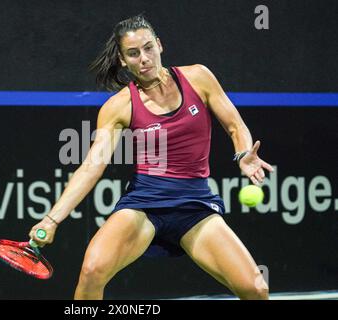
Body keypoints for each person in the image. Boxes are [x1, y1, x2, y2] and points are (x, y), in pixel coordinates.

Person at [28, 14, 274, 300]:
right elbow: (91, 166)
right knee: (92, 270)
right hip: (144, 206)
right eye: (133, 53)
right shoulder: (118, 106)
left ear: (159, 45)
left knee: (255, 289)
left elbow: (235, 126)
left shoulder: (198, 77)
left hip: (194, 206)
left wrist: (244, 153)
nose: (143, 58)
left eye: (148, 48)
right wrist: (52, 220)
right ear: (123, 60)